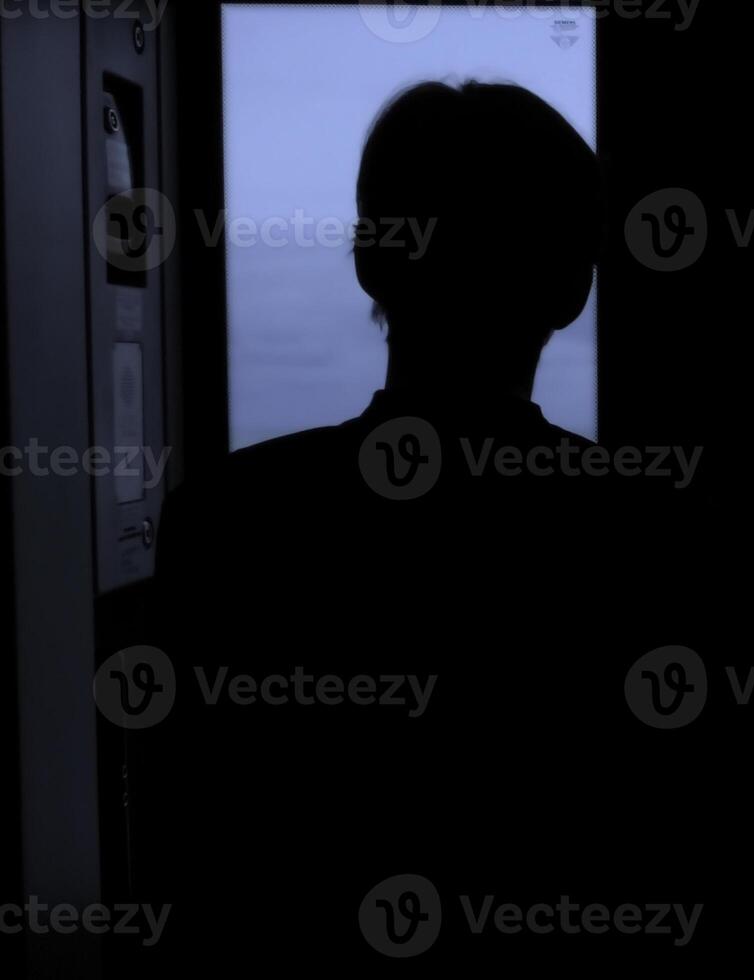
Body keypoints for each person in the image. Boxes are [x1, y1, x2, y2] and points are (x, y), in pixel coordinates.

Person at [132, 81, 703, 968]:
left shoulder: (228, 519)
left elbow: (185, 854)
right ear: (573, 287)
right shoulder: (644, 533)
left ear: (370, 260)